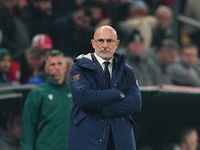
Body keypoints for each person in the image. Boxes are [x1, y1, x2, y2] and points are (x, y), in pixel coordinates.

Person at [68, 25, 142, 150]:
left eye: (109, 41)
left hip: (119, 140)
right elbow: (84, 98)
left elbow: (135, 104)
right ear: (93, 43)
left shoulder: (127, 71)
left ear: (117, 44)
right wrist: (116, 94)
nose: (105, 45)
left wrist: (100, 110)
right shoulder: (79, 68)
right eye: (100, 41)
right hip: (87, 139)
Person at [21, 50, 72, 150]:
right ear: (46, 68)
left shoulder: (75, 93)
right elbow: (28, 127)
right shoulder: (37, 93)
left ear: (65, 67)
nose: (56, 68)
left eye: (59, 64)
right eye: (52, 64)